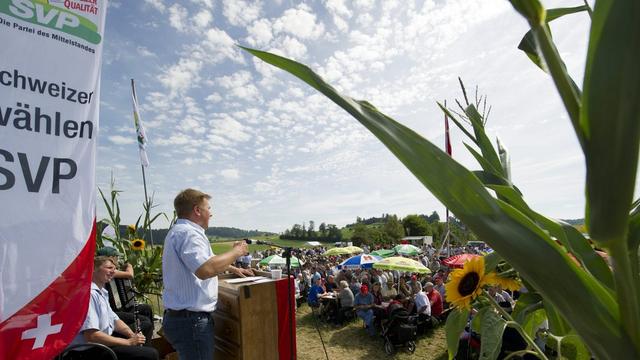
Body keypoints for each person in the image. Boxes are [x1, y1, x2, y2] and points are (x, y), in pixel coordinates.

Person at [162, 189, 253, 360]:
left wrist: (234, 269)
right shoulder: (189, 233)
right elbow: (205, 270)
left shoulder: (180, 231)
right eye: (208, 208)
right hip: (191, 322)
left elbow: (202, 261)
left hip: (183, 319)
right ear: (197, 210)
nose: (211, 213)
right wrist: (236, 252)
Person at [68, 256, 159, 360]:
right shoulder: (89, 294)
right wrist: (128, 342)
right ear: (93, 268)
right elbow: (91, 336)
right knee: (151, 354)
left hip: (99, 345)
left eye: (114, 268)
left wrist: (132, 335)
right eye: (109, 268)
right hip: (88, 351)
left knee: (145, 330)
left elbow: (115, 320)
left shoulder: (101, 292)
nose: (113, 271)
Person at [97, 246, 154, 345]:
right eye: (116, 257)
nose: (117, 260)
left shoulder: (110, 269)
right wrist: (129, 266)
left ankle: (147, 341)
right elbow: (129, 274)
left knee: (146, 308)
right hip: (114, 310)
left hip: (120, 308)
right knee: (144, 321)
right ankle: (140, 343)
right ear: (110, 257)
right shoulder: (106, 270)